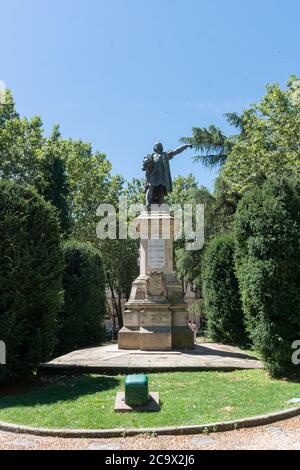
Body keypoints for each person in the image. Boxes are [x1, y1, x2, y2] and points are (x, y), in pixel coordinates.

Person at [142, 142, 193, 210]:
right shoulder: (150, 156)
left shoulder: (165, 155)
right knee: (150, 188)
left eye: (160, 145)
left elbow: (176, 151)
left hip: (162, 176)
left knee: (161, 191)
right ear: (154, 147)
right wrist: (145, 163)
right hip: (153, 175)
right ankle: (148, 204)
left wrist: (185, 146)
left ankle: (160, 205)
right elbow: (144, 165)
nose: (158, 146)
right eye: (157, 145)